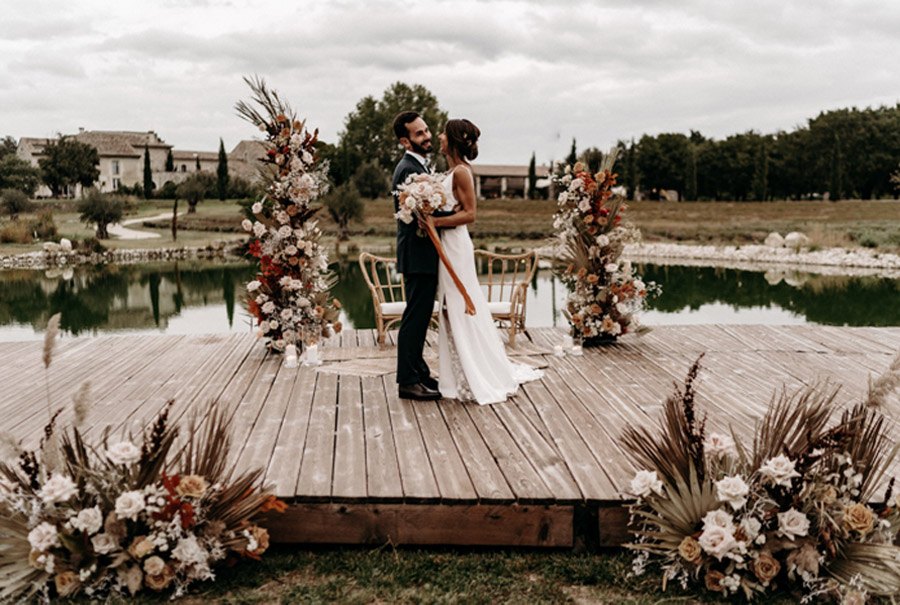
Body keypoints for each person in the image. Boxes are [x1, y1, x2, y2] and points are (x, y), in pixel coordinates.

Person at [424, 118, 543, 404]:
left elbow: (470, 214)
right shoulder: (452, 170)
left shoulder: (463, 172)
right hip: (447, 244)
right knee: (450, 307)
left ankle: (475, 372)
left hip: (456, 246)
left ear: (451, 139)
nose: (438, 136)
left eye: (442, 132)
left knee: (460, 304)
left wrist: (435, 222)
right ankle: (458, 371)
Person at [391, 111, 454, 401]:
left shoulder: (417, 165)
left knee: (419, 315)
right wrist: (453, 215)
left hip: (422, 252)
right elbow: (419, 215)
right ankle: (407, 381)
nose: (427, 136)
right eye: (419, 133)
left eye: (427, 130)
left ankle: (419, 371)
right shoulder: (408, 170)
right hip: (418, 253)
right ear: (405, 140)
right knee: (415, 318)